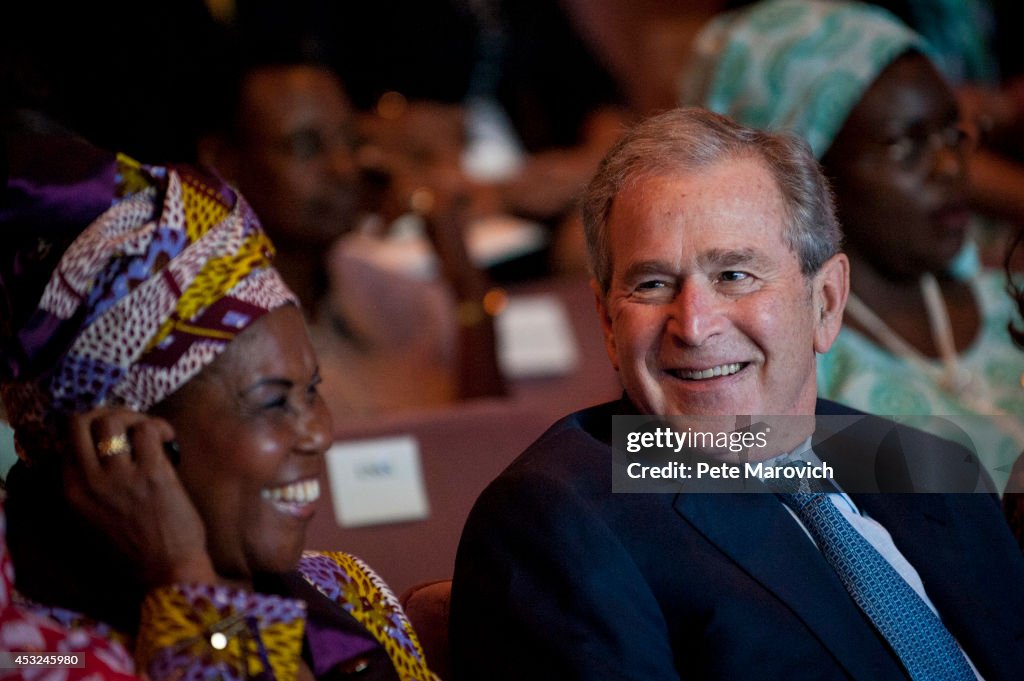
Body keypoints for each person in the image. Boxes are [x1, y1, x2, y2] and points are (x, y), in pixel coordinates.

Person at [449, 107, 1024, 680]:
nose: (694, 325)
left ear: (825, 301)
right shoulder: (558, 520)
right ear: (606, 322)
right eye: (653, 285)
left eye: (734, 276)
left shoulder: (929, 465)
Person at [0, 119, 438, 680]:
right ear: (122, 440)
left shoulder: (340, 589)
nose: (320, 433)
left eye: (313, 391)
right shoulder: (40, 651)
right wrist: (183, 577)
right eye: (274, 402)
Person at [681, 0, 1024, 485]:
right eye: (904, 144)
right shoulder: (787, 379)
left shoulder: (1008, 301)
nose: (951, 167)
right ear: (806, 173)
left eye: (953, 132)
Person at [198, 59, 505, 417]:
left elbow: (486, 432)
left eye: (350, 141)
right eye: (306, 146)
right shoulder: (206, 330)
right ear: (224, 162)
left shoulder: (371, 287)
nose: (344, 167)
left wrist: (465, 279)